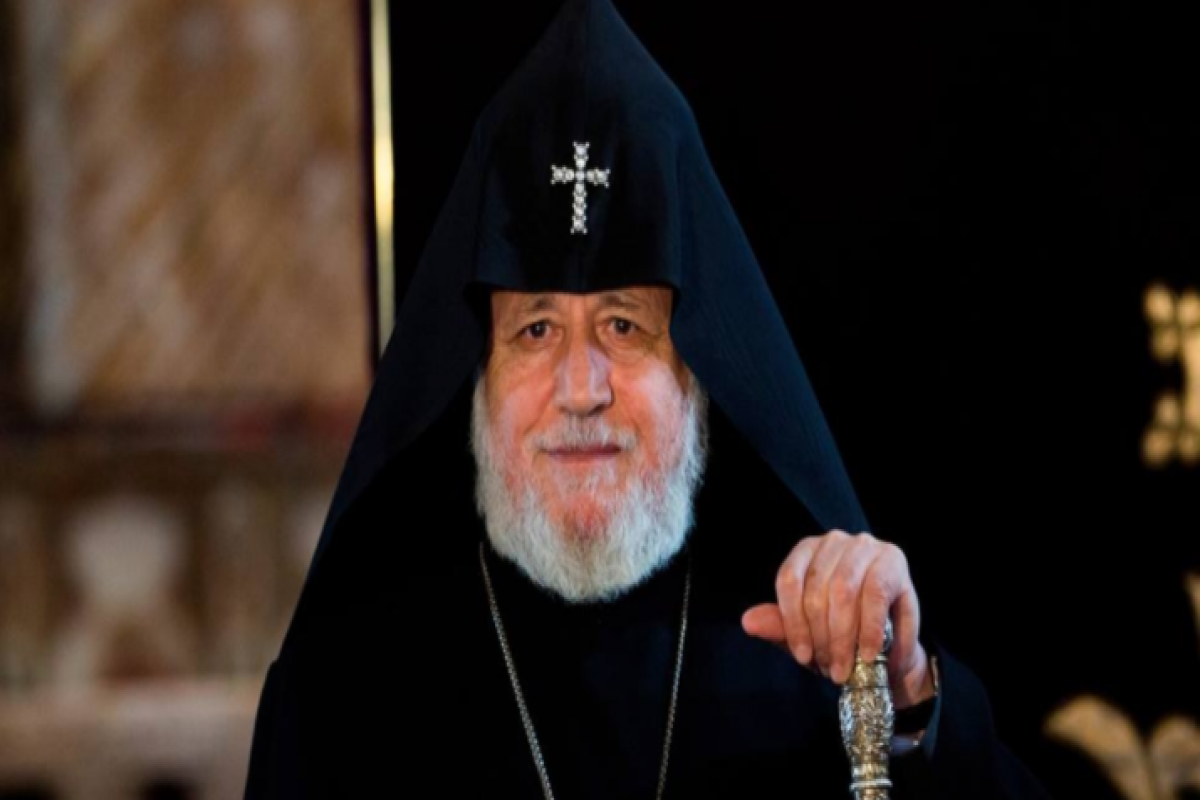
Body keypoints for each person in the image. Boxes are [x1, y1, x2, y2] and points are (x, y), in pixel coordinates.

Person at [243, 0, 1052, 796]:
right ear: (476, 371)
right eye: (535, 330)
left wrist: (905, 694)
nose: (581, 391)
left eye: (625, 326)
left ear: (697, 371)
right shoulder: (342, 693)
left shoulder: (815, 665)